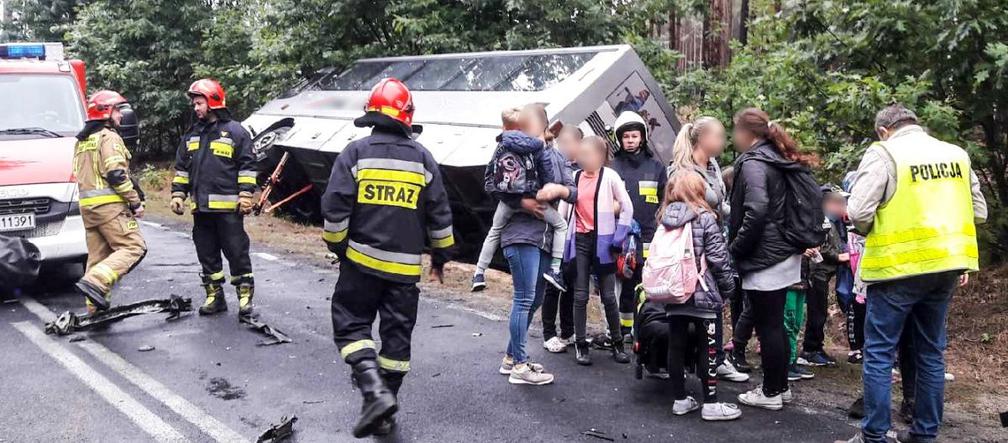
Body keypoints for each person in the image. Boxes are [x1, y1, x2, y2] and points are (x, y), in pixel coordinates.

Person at [839, 104, 986, 443]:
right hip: (946, 266)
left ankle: (874, 434)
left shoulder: (884, 153)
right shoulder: (956, 154)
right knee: (931, 352)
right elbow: (979, 211)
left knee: (878, 352)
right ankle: (924, 433)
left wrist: (872, 227)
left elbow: (858, 210)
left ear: (884, 131)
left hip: (897, 268)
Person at [322, 78, 455, 437]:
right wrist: (440, 258)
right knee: (396, 341)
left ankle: (374, 392)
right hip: (404, 273)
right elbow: (440, 215)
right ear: (407, 117)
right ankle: (383, 406)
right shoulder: (424, 158)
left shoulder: (355, 153)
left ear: (372, 115)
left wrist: (339, 247)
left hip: (361, 264)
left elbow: (335, 209)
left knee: (351, 323)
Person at [728, 108, 817, 410]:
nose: (732, 137)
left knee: (768, 326)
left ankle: (769, 393)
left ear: (746, 133)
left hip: (764, 255)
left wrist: (736, 249)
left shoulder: (754, 163)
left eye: (734, 131)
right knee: (774, 324)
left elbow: (756, 211)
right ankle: (780, 387)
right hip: (784, 251)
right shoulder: (776, 158)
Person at [650, 170, 743, 421]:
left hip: (675, 293)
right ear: (699, 190)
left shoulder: (664, 218)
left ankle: (680, 400)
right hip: (702, 293)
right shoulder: (705, 218)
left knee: (676, 346)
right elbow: (718, 260)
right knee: (708, 348)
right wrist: (728, 290)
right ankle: (710, 403)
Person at [667, 116, 749, 383]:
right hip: (692, 249)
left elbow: (720, 205)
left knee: (713, 306)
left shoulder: (713, 166)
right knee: (689, 311)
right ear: (702, 139)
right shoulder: (682, 171)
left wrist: (739, 217)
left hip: (714, 241)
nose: (723, 141)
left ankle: (716, 360)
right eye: (719, 136)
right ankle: (700, 372)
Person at [171, 79, 258, 317]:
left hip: (230, 211)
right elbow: (182, 169)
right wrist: (178, 194)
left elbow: (248, 166)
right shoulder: (191, 135)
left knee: (237, 253)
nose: (196, 108)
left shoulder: (236, 132)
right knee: (207, 254)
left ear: (213, 102)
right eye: (194, 104)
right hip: (201, 210)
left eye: (199, 103)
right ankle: (215, 297)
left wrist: (246, 194)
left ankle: (245, 300)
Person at [547, 136, 634, 365]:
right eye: (581, 153)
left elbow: (627, 207)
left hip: (605, 242)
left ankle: (617, 343)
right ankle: (581, 345)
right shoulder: (574, 177)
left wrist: (619, 238)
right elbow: (564, 213)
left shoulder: (610, 177)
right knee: (580, 295)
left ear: (599, 156)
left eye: (587, 154)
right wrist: (562, 245)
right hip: (580, 241)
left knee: (608, 296)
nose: (582, 158)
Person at [471, 105, 572, 293]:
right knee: (561, 225)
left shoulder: (503, 143)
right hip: (534, 199)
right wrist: (547, 191)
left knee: (494, 231)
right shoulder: (538, 147)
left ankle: (478, 273)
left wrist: (515, 200)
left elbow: (490, 179)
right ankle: (555, 269)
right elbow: (548, 177)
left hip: (507, 199)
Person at [73, 90, 147, 312]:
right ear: (106, 113)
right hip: (110, 208)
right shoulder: (109, 137)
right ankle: (95, 282)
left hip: (89, 209)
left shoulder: (83, 141)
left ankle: (93, 307)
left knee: (98, 256)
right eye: (117, 110)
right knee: (134, 247)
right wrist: (134, 202)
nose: (121, 116)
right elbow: (116, 174)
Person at [610, 111, 668, 341]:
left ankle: (645, 327)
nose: (631, 140)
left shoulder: (656, 167)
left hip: (649, 234)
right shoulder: (613, 167)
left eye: (635, 135)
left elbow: (665, 199)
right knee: (625, 282)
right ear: (620, 139)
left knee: (647, 283)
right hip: (622, 236)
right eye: (626, 137)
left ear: (642, 137)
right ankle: (624, 329)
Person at [541, 125, 583, 353]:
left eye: (568, 142)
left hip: (578, 240)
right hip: (555, 237)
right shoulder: (554, 167)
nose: (564, 147)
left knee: (571, 286)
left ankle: (568, 331)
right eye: (561, 142)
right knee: (552, 285)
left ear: (579, 143)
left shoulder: (585, 170)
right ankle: (549, 333)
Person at [798, 185, 848, 367]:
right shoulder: (819, 219)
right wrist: (838, 256)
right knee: (816, 312)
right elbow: (819, 244)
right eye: (838, 203)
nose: (842, 207)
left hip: (824, 273)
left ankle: (816, 347)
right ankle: (810, 350)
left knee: (820, 311)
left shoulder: (833, 222)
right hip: (817, 272)